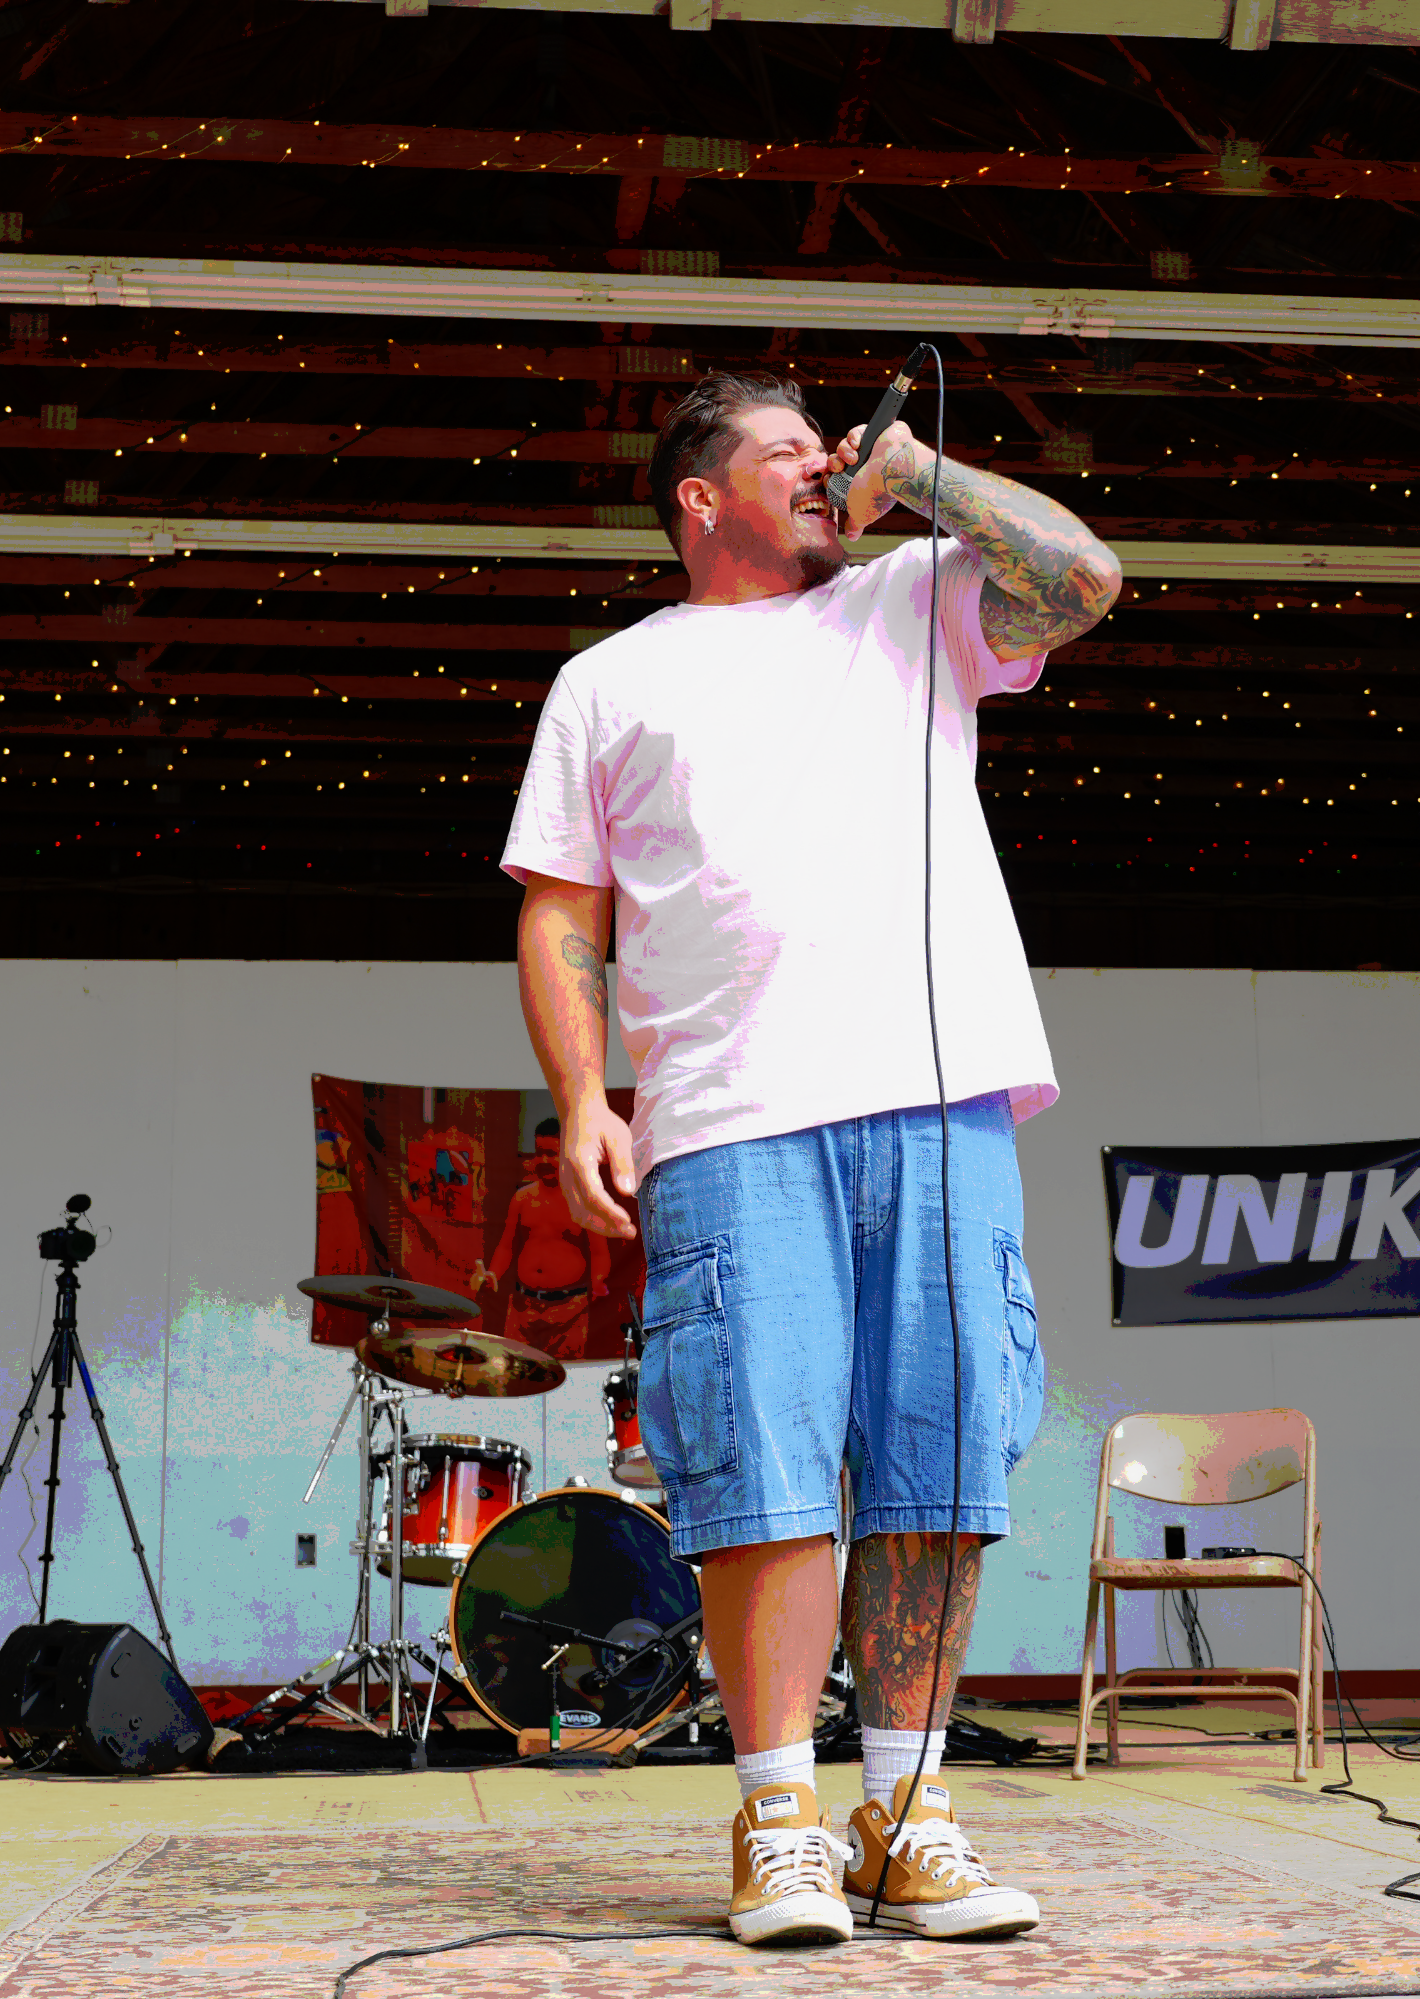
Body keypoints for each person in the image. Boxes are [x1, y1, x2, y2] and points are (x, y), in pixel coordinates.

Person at [501, 371, 1118, 1946]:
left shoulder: (914, 595)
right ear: (698, 497)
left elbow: (1087, 578)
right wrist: (583, 1099)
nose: (820, 467)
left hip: (938, 1094)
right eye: (787, 453)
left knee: (940, 1458)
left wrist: (919, 473)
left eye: (830, 450)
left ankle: (905, 1808)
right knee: (760, 1473)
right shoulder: (609, 681)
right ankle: (778, 1818)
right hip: (725, 1113)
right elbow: (562, 908)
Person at [471, 1116, 610, 1360]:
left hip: (569, 1311)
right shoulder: (522, 1199)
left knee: (565, 1379)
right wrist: (493, 1273)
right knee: (518, 1372)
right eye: (539, 1153)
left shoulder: (584, 1201)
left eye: (552, 1153)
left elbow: (599, 1252)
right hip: (523, 1309)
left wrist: (598, 1281)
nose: (544, 1160)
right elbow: (506, 1247)